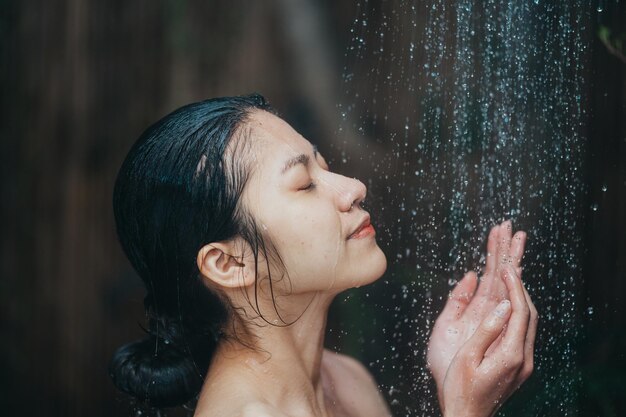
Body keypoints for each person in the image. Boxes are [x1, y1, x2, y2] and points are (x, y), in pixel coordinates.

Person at [110, 94, 538, 417]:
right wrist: (465, 409)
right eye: (303, 184)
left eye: (324, 165)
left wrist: (455, 377)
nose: (353, 187)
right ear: (230, 263)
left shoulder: (345, 379)